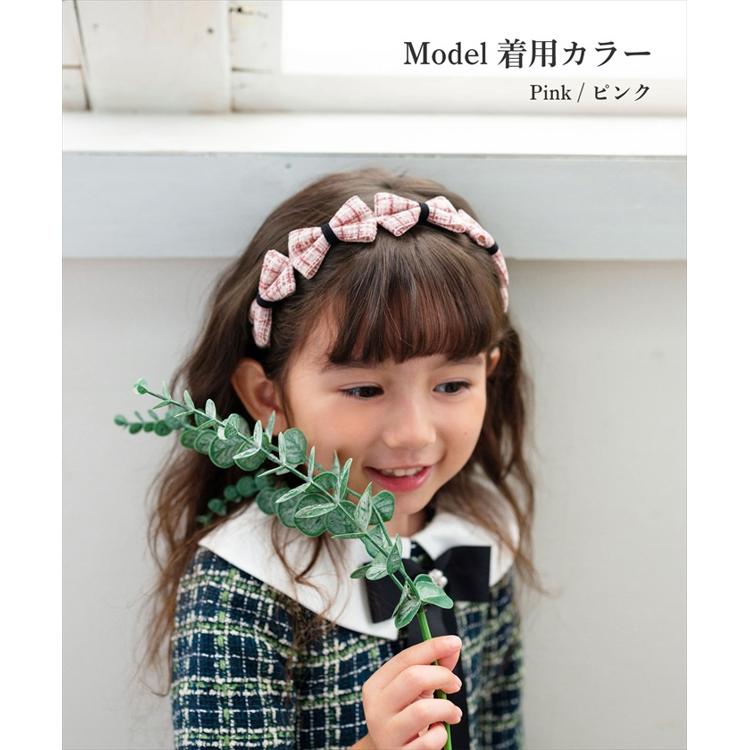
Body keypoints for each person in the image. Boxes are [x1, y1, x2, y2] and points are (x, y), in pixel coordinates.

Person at [141, 168, 544, 749]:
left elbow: (503, 732)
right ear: (268, 398)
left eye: (452, 385)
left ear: (490, 372)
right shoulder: (243, 580)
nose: (412, 433)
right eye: (363, 389)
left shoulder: (480, 536)